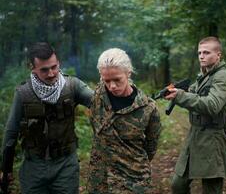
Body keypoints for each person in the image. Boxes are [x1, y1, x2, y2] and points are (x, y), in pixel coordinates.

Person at [0, 42, 93, 194]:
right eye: (44, 70)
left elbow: (98, 102)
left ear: (58, 63)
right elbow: (11, 131)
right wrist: (6, 168)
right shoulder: (23, 93)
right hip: (33, 166)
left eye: (54, 67)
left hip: (65, 165)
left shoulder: (72, 86)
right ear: (32, 67)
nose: (51, 73)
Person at [165, 37, 226, 194]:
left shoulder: (223, 76)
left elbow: (212, 105)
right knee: (178, 184)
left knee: (211, 189)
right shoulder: (204, 76)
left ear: (218, 55)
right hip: (195, 137)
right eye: (199, 53)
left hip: (214, 139)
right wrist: (176, 91)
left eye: (206, 52)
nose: (201, 56)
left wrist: (181, 96)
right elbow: (195, 94)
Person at [87, 48, 161, 194]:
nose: (112, 86)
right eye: (106, 80)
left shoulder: (147, 108)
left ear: (128, 73)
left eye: (117, 80)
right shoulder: (97, 96)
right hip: (99, 179)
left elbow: (151, 147)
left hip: (132, 180)